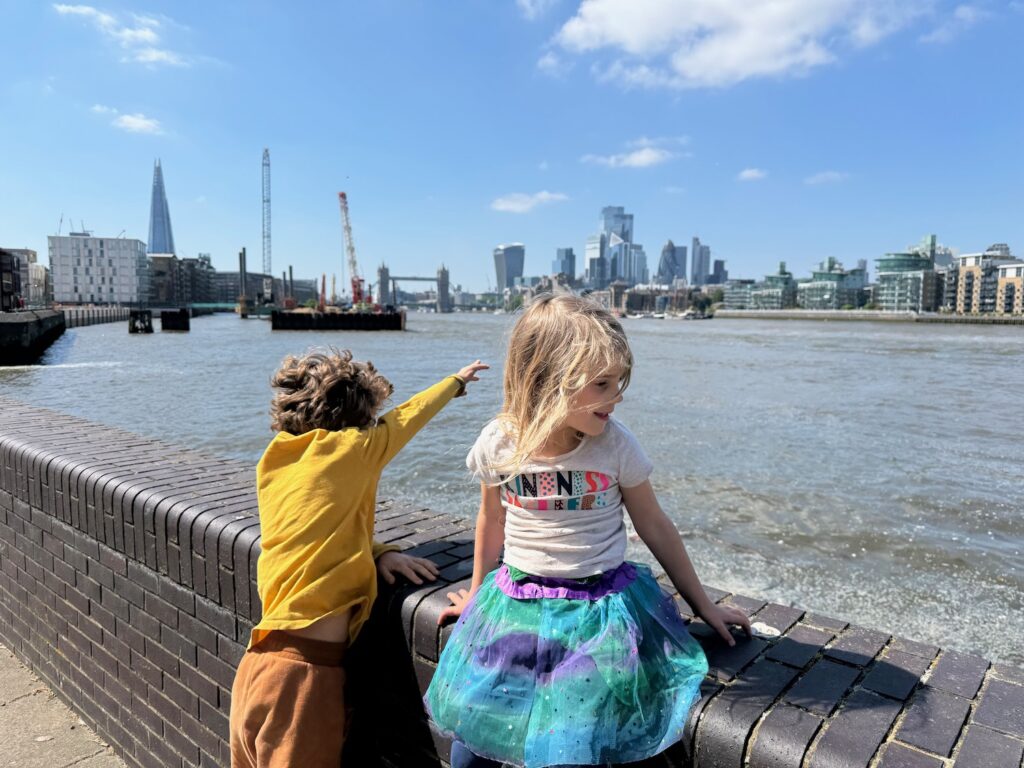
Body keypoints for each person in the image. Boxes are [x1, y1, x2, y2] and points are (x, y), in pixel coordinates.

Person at [425, 295, 751, 768]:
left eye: (619, 382)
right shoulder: (500, 441)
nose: (616, 397)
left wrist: (704, 604)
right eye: (602, 383)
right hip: (516, 599)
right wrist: (477, 591)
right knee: (472, 745)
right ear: (547, 378)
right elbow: (492, 519)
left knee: (579, 740)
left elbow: (655, 525)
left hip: (602, 608)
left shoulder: (616, 445)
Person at [230, 348, 488, 768]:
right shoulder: (356, 448)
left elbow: (311, 528)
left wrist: (377, 552)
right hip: (303, 681)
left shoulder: (274, 461)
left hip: (257, 666)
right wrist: (454, 383)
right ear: (360, 415)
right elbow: (405, 419)